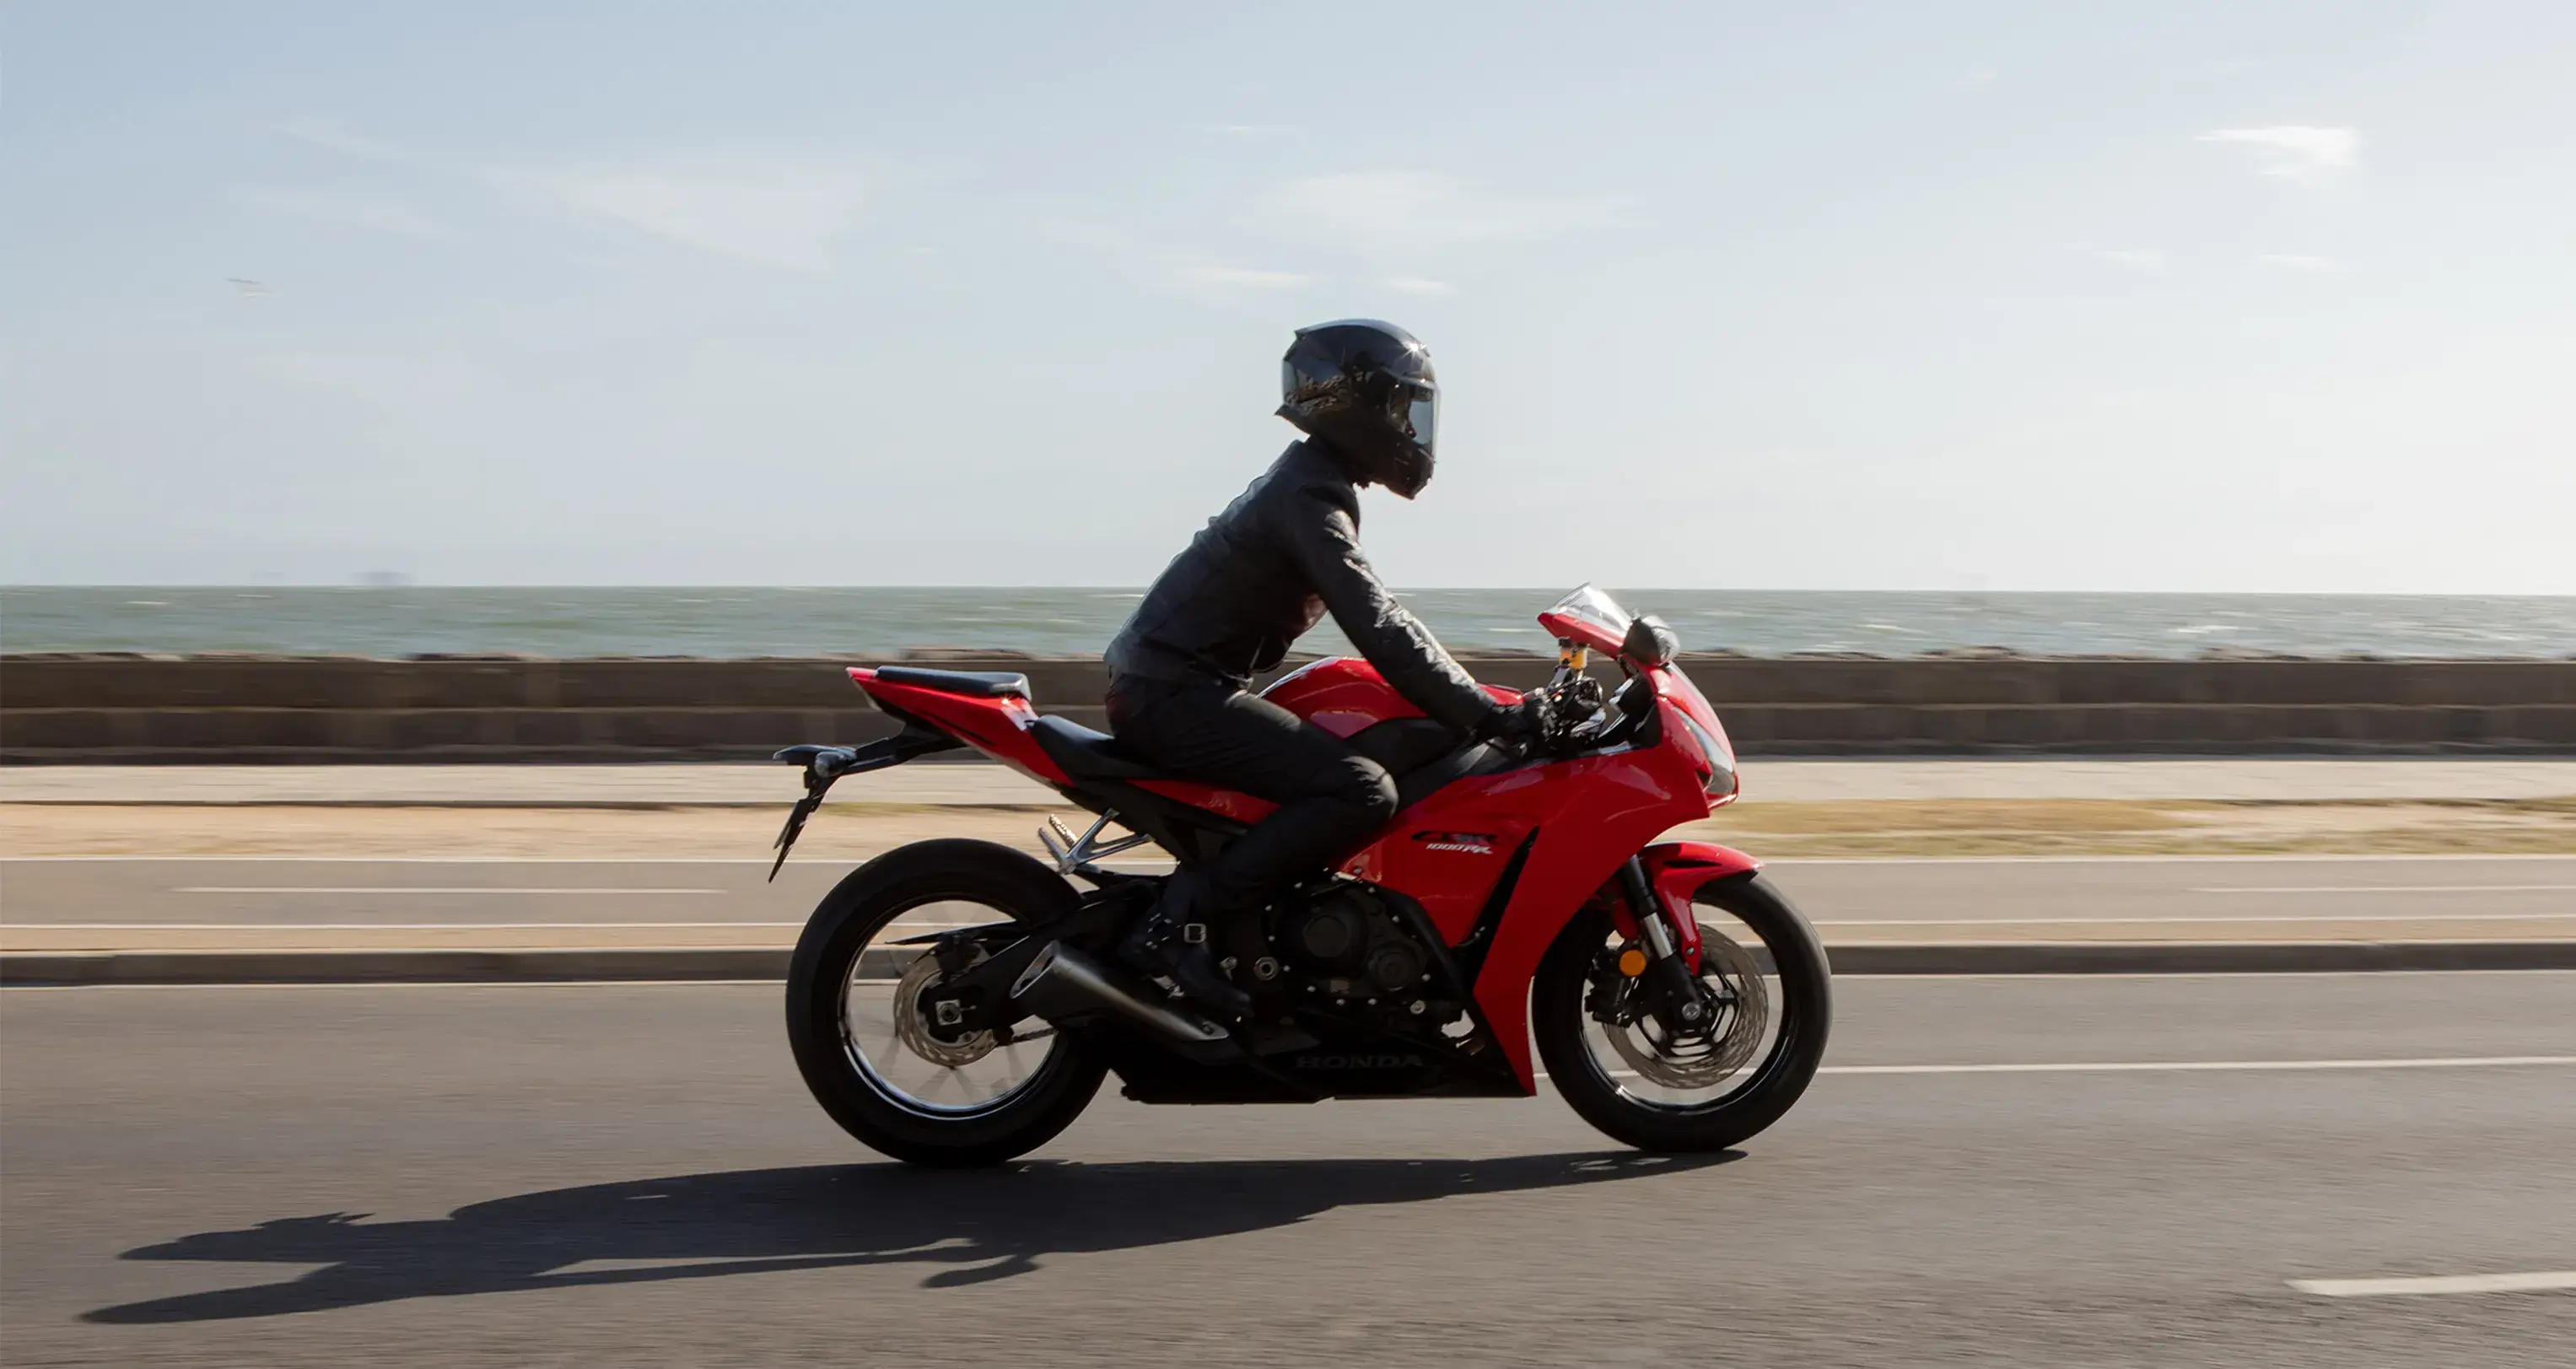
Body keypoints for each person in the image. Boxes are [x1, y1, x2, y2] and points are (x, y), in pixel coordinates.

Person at [1102, 319, 1544, 1018]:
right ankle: (1178, 924)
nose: (1411, 427)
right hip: (1174, 696)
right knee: (1362, 792)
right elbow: (1379, 622)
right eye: (1402, 406)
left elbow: (1381, 620)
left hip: (1173, 687)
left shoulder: (1308, 481)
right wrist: (1487, 712)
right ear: (1359, 404)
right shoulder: (1310, 496)